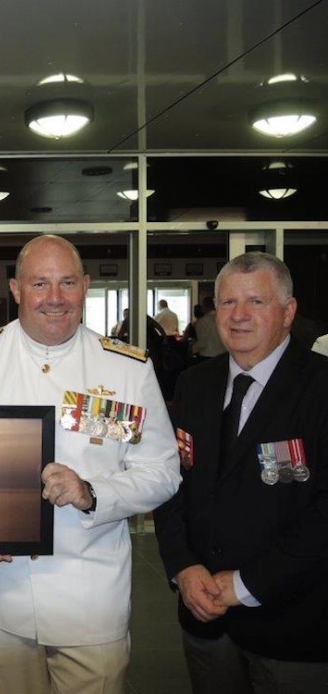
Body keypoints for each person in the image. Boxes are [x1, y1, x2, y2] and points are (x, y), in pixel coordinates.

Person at [0, 234, 180, 694]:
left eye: (67, 282)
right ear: (15, 290)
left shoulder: (126, 370)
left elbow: (162, 471)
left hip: (91, 594)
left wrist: (94, 493)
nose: (54, 298)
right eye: (40, 283)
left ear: (86, 285)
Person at [154, 252, 328, 693]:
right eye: (227, 303)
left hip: (292, 624)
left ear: (288, 312)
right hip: (204, 617)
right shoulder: (195, 384)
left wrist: (247, 584)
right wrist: (183, 566)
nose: (239, 316)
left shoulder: (320, 387)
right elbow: (171, 483)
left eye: (256, 302)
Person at [192, 296, 226, 361]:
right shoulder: (223, 319)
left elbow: (202, 343)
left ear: (205, 306)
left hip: (207, 355)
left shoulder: (203, 321)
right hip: (223, 355)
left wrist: (193, 349)